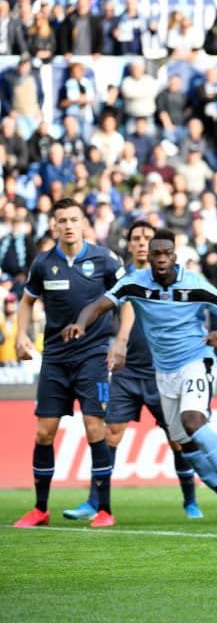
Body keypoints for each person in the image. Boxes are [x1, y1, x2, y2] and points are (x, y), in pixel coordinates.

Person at [62, 229, 217, 523]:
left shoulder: (194, 284)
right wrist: (80, 323)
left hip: (195, 360)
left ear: (175, 256)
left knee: (193, 420)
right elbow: (100, 305)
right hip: (164, 371)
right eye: (157, 254)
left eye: (167, 253)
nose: (162, 259)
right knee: (185, 443)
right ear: (149, 257)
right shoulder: (134, 284)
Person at [13, 199, 123, 529]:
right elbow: (26, 301)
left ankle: (104, 510)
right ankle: (40, 508)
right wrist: (21, 336)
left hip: (92, 358)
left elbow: (126, 298)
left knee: (94, 429)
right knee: (44, 432)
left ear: (84, 223)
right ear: (54, 226)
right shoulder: (44, 264)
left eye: (74, 219)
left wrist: (121, 340)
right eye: (62, 220)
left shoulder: (105, 259)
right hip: (56, 360)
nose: (69, 225)